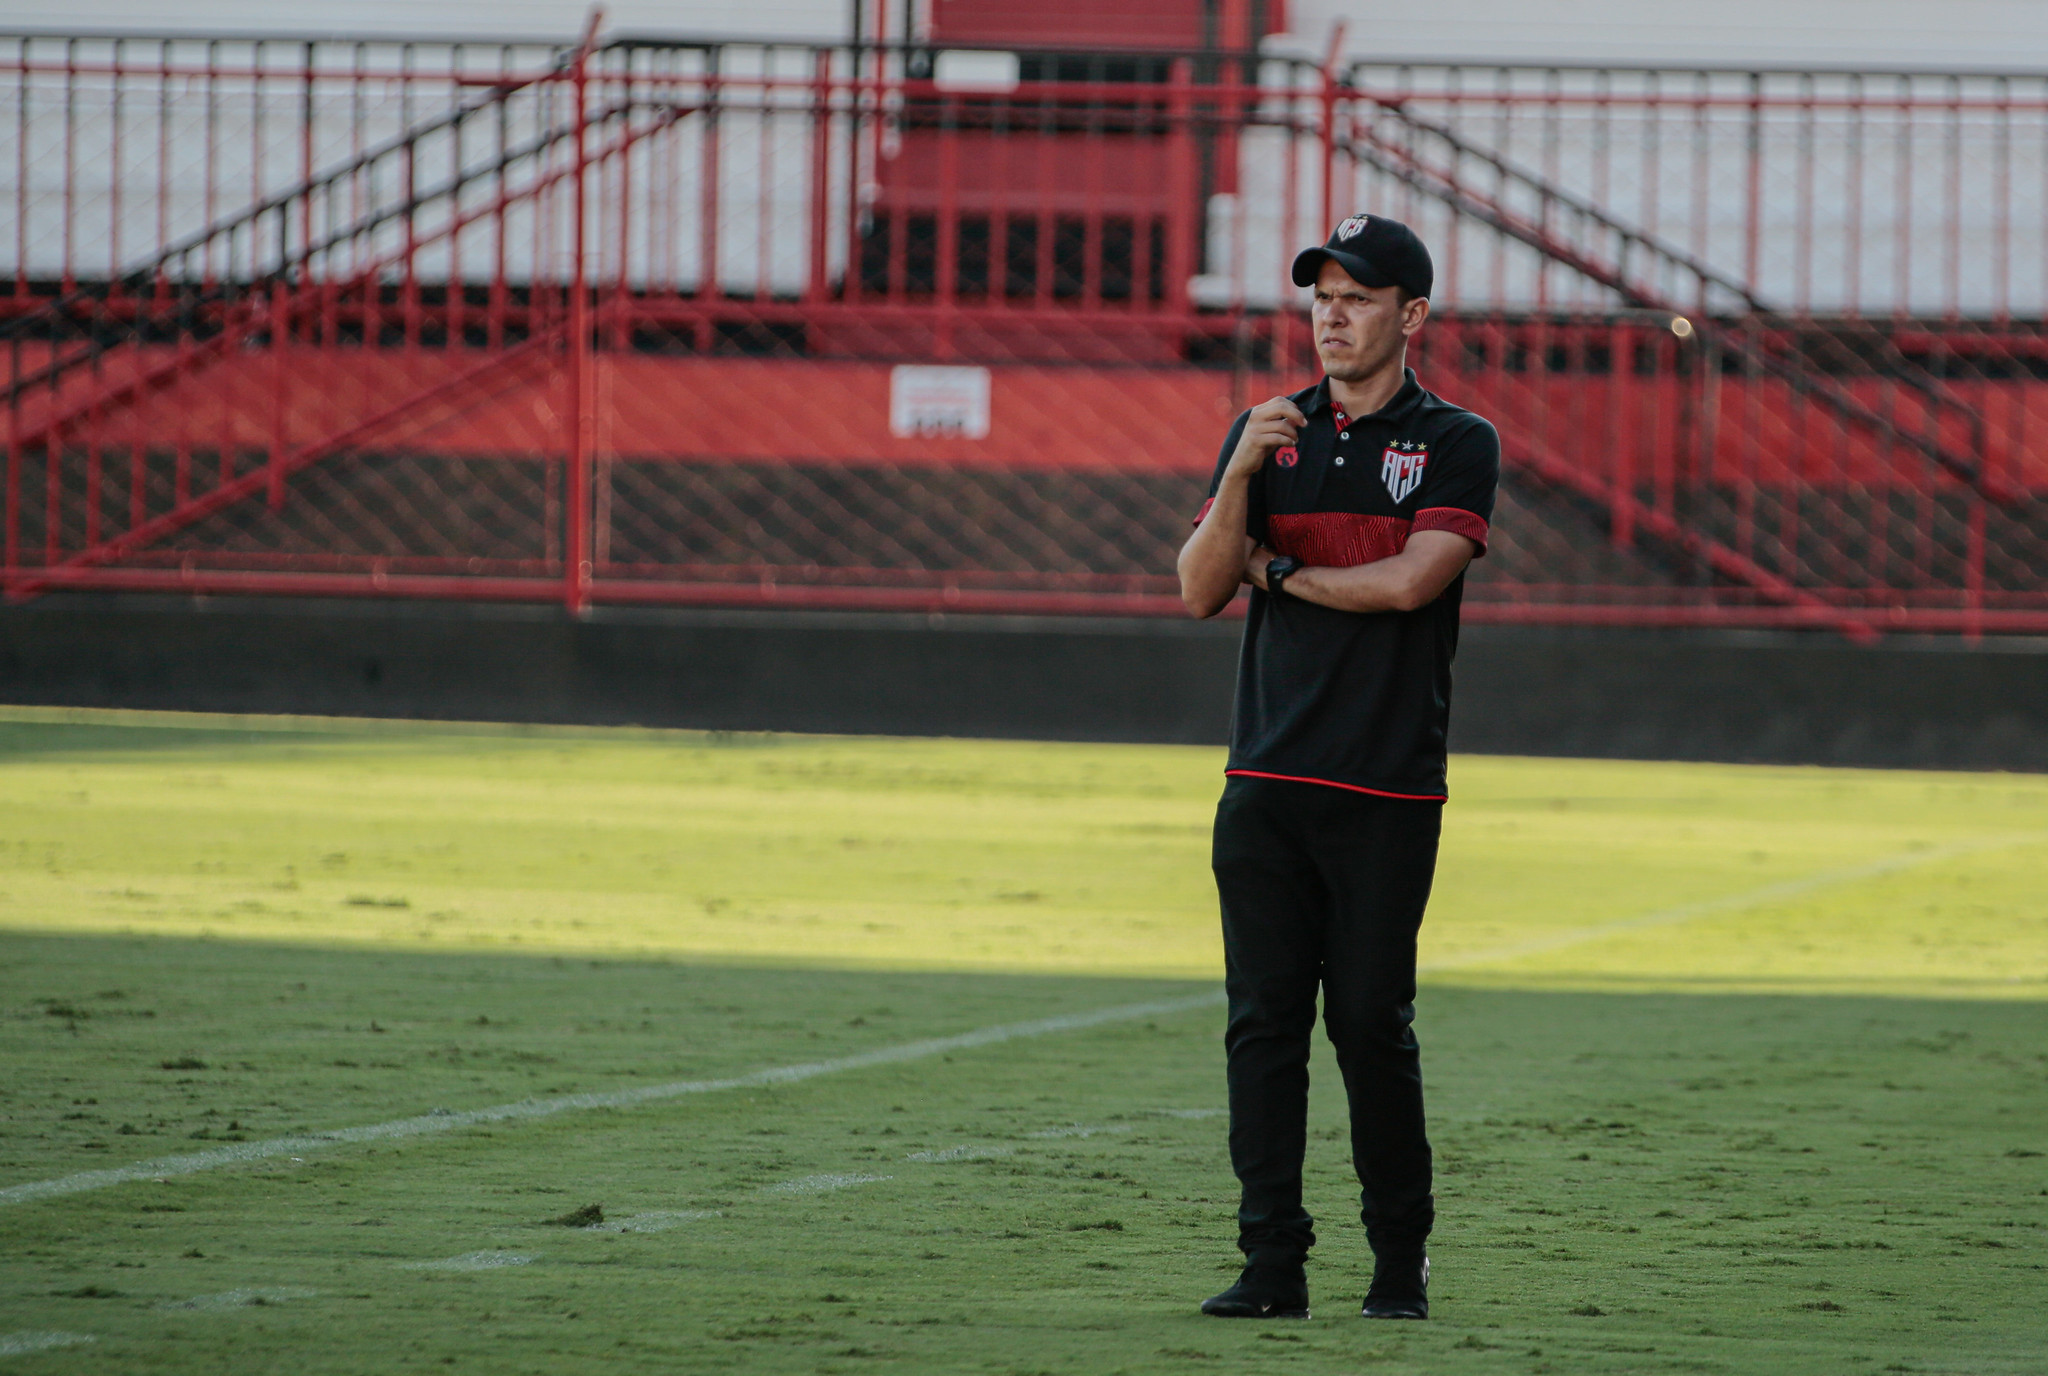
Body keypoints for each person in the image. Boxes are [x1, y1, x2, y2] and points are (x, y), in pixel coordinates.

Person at [1176, 213, 1500, 1322]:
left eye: (1357, 297)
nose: (1331, 315)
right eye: (1321, 295)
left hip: (1386, 788)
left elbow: (1410, 582)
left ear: (1411, 316)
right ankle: (1271, 1262)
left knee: (1368, 1022)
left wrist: (1278, 573)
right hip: (1265, 780)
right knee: (1262, 1025)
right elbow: (1197, 586)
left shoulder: (1455, 440)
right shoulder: (1266, 430)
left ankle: (1398, 1258)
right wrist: (1238, 476)